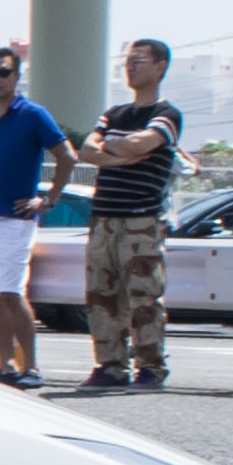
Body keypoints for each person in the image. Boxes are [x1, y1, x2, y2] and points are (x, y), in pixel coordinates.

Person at [0, 47, 74, 390]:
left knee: (11, 292)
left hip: (16, 219)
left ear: (17, 76)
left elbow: (67, 155)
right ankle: (6, 364)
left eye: (3, 73)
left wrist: (48, 199)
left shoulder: (33, 114)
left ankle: (32, 365)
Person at [73, 38, 184, 392]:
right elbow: (87, 151)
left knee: (144, 295)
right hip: (104, 216)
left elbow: (142, 143)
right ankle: (110, 364)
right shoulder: (115, 113)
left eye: (139, 60)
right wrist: (121, 154)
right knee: (101, 293)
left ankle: (151, 366)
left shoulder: (167, 114)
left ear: (160, 66)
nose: (130, 66)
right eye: (128, 60)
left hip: (142, 220)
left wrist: (119, 147)